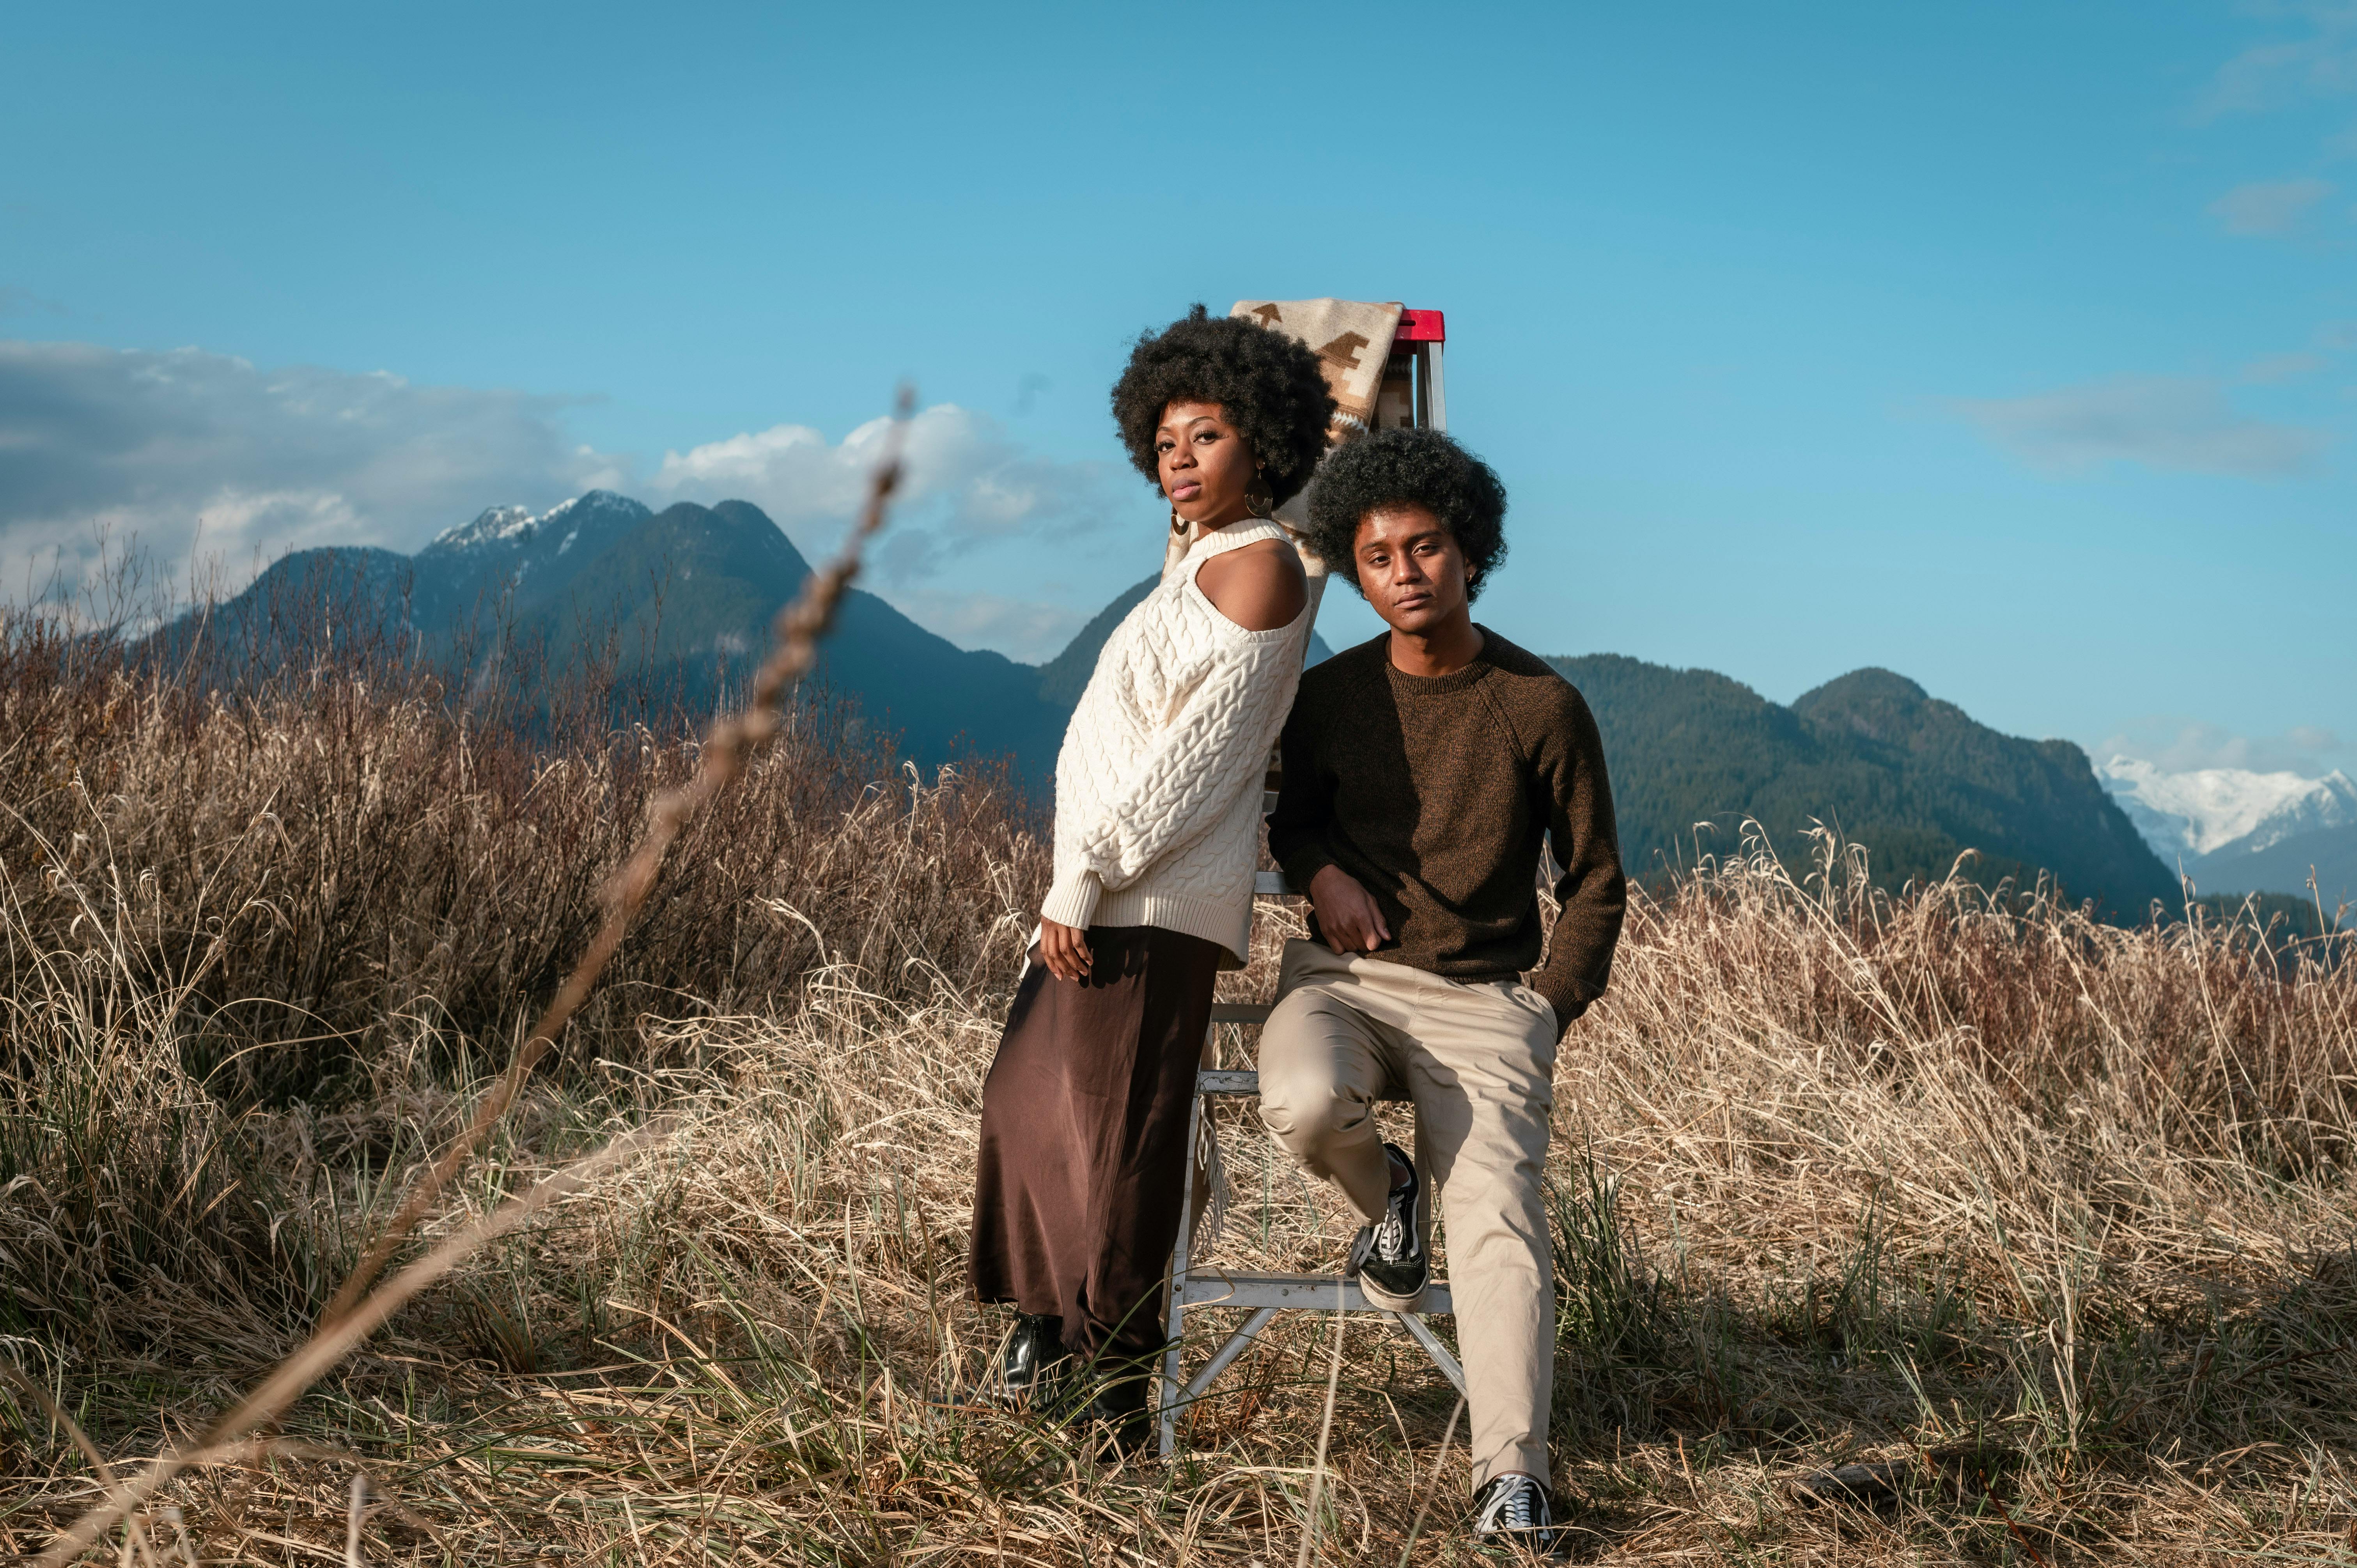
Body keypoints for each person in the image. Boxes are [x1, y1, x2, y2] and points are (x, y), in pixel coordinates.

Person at [968, 306, 1334, 1448]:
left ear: (1263, 446)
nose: (1179, 457)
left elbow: (1196, 762)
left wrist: (1086, 878)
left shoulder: (1263, 568)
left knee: (1119, 1139)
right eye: (1165, 439)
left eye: (1208, 435)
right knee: (1029, 1109)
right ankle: (1048, 1329)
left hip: (1144, 901)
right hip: (1100, 896)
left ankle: (1110, 1385)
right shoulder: (1199, 563)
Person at [1257, 427, 1626, 1546]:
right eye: (1377, 557)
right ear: (1354, 571)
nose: (1404, 573)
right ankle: (1390, 1200)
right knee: (1304, 1103)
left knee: (1502, 1228)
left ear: (1471, 554)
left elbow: (1597, 875)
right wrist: (1318, 872)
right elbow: (1292, 816)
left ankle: (1512, 1481)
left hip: (1485, 1003)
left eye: (1426, 549)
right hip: (1342, 982)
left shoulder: (1538, 704)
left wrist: (1547, 1005)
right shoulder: (1327, 696)